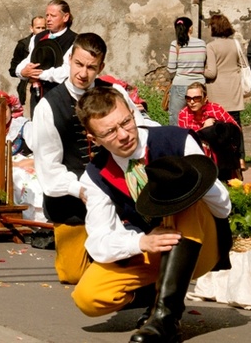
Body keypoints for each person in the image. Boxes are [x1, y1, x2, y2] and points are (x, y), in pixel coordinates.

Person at [72, 86, 231, 343]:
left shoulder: (175, 140)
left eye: (125, 122)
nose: (124, 135)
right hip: (151, 250)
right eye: (110, 132)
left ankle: (166, 319)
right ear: (94, 139)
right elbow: (98, 240)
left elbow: (224, 207)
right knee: (89, 298)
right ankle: (156, 298)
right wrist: (141, 242)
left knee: (183, 197)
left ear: (132, 113)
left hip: (200, 245)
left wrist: (194, 180)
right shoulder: (94, 175)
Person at [31, 33, 147, 284]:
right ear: (70, 60)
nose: (83, 73)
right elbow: (48, 169)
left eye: (91, 67)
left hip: (118, 194)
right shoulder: (48, 107)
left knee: (132, 256)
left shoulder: (113, 92)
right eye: (79, 64)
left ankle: (127, 280)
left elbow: (138, 129)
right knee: (73, 274)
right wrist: (82, 189)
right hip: (72, 204)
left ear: (101, 67)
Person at [16, 0, 78, 118]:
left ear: (65, 17)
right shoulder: (38, 37)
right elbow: (29, 59)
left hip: (60, 97)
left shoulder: (74, 40)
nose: (48, 19)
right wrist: (23, 71)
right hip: (38, 95)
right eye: (47, 15)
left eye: (53, 15)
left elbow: (66, 71)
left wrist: (39, 74)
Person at [0, 90, 45, 222]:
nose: (2, 114)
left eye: (5, 109)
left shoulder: (23, 126)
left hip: (25, 165)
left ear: (11, 110)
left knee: (23, 180)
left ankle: (33, 221)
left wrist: (18, 164)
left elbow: (42, 153)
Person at [204, 13, 246, 171]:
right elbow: (243, 63)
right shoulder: (235, 43)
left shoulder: (211, 46)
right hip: (234, 89)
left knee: (220, 127)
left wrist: (201, 70)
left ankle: (223, 158)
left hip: (217, 91)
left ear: (214, 27)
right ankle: (240, 159)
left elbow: (212, 73)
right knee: (236, 125)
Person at [178, 81, 241, 181]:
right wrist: (205, 128)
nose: (192, 102)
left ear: (205, 98)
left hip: (222, 153)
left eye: (197, 98)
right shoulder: (183, 114)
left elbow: (236, 128)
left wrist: (216, 126)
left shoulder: (216, 109)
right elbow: (184, 139)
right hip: (198, 155)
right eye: (188, 98)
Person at [166, 17, 207, 126]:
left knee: (176, 117)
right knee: (198, 117)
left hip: (180, 84)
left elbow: (171, 68)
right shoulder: (202, 43)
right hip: (199, 85)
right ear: (190, 28)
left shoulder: (175, 44)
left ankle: (177, 140)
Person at [9, 16, 46, 105]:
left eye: (43, 28)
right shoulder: (23, 45)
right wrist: (24, 72)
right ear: (31, 28)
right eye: (38, 28)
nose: (41, 31)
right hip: (28, 87)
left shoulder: (50, 42)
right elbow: (13, 70)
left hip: (46, 87)